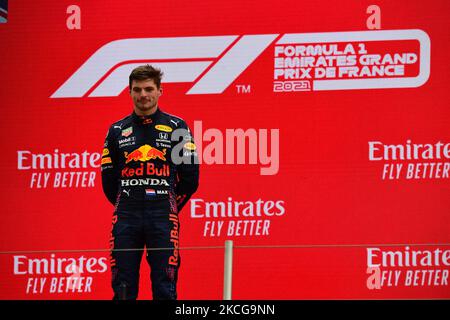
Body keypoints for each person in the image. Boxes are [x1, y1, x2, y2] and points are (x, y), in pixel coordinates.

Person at [101, 65, 199, 300]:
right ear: (130, 92)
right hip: (126, 216)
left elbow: (190, 178)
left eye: (148, 89)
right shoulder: (116, 130)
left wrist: (168, 205)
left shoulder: (177, 127)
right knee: (122, 285)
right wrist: (129, 201)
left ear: (159, 91)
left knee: (165, 286)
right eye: (137, 89)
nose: (143, 95)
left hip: (162, 216)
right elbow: (108, 180)